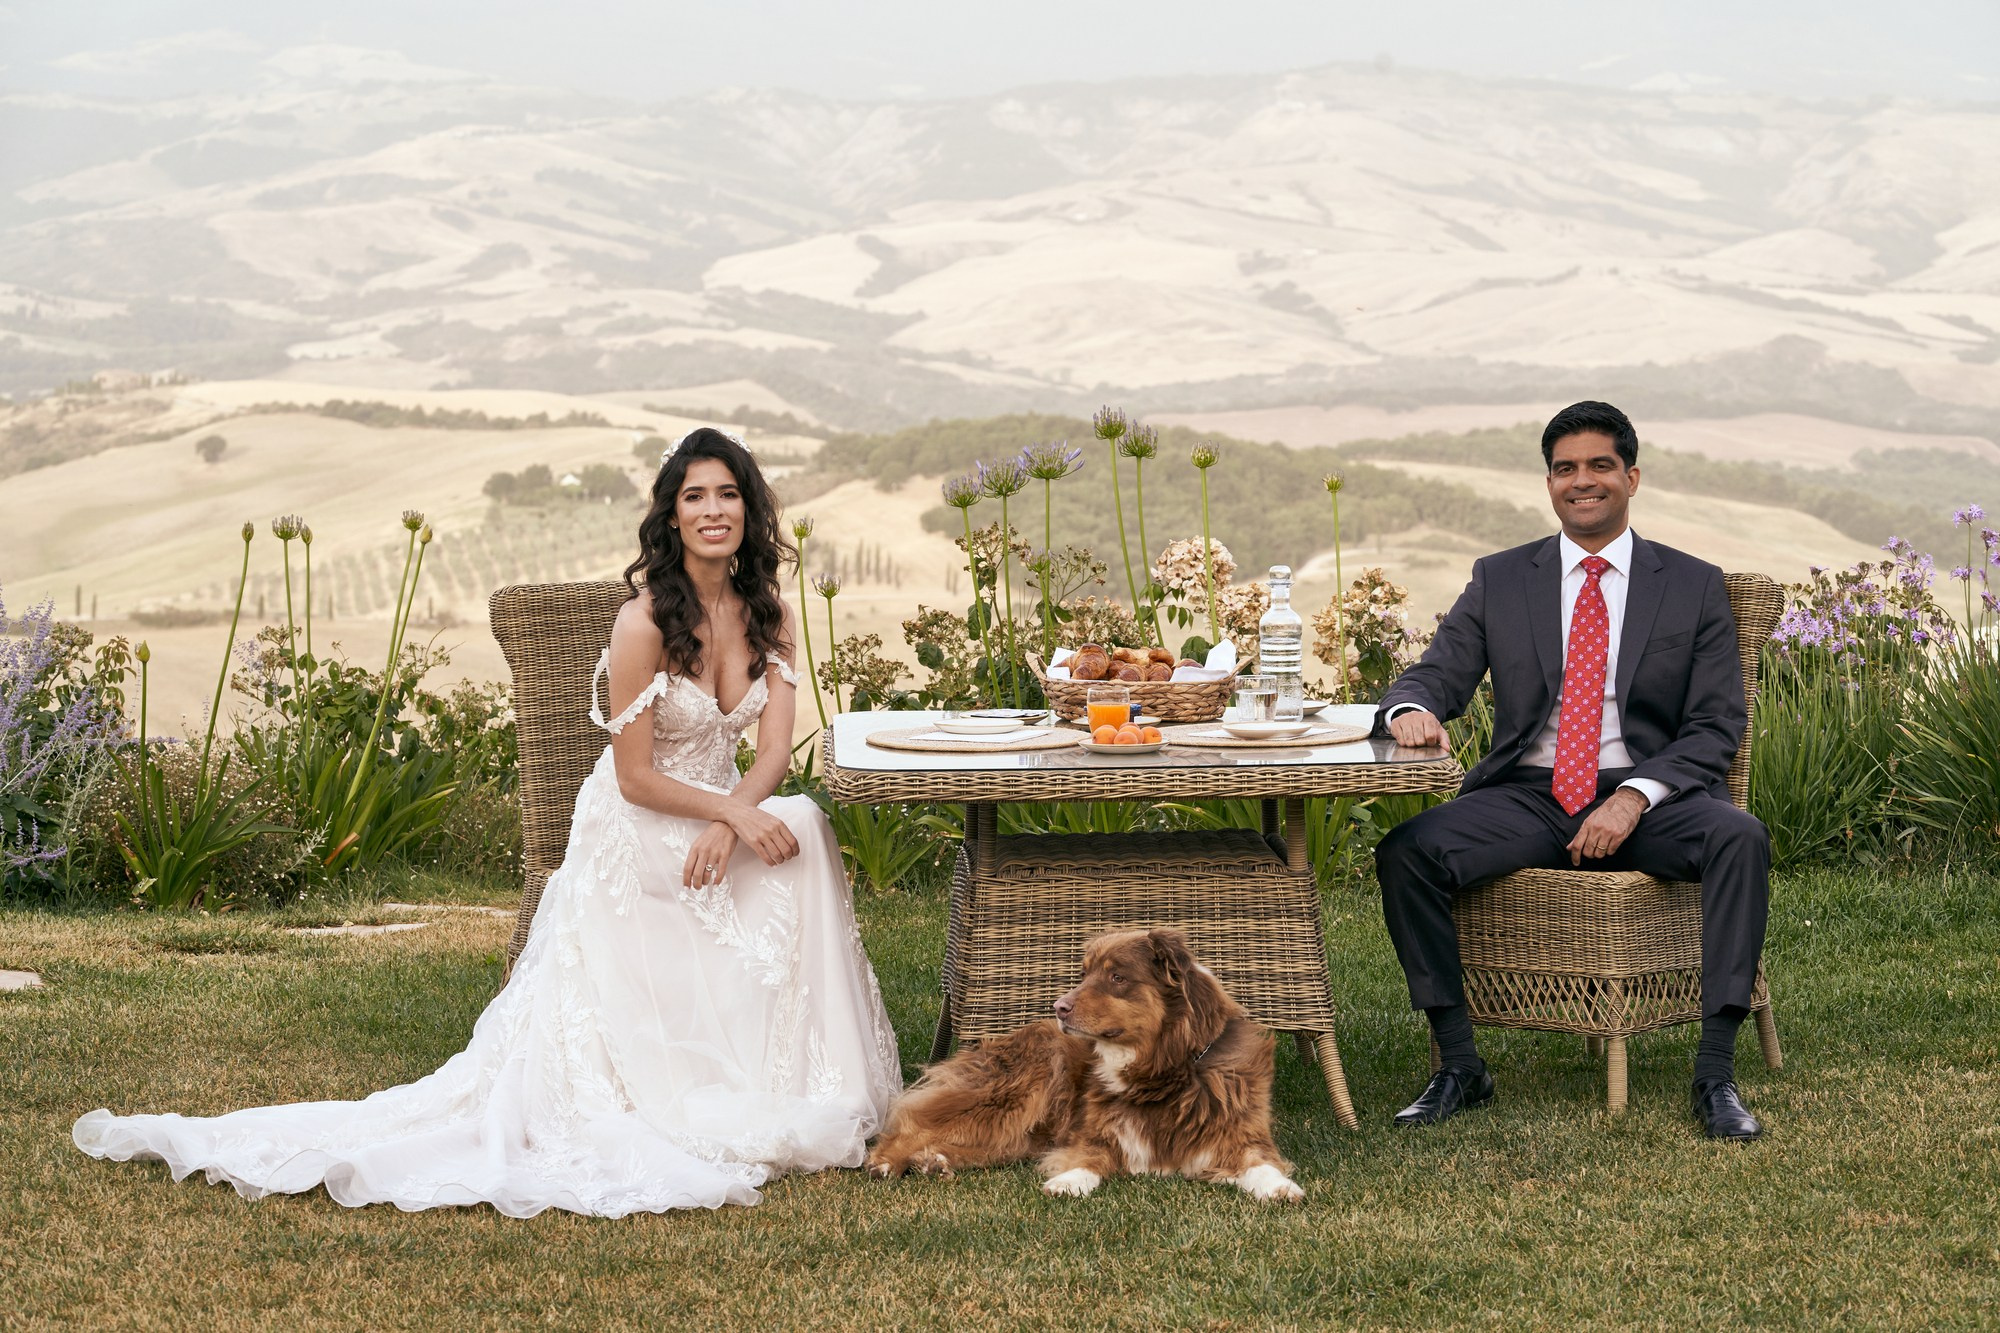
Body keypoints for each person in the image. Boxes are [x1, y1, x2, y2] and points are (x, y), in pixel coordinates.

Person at [74, 428, 903, 1215]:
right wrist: (722, 811)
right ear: (672, 514)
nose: (715, 510)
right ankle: (687, 1078)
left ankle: (805, 1078)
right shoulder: (644, 621)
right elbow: (636, 775)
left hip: (717, 813)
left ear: (751, 512)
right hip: (641, 825)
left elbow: (772, 749)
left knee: (802, 826)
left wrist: (735, 815)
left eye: (730, 494)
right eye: (696, 496)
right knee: (769, 828)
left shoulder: (770, 613)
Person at [1372, 401, 1770, 1140]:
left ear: (1631, 476)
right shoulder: (1501, 578)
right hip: (1531, 795)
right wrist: (1408, 713)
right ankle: (1461, 1063)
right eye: (1564, 468)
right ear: (1549, 481)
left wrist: (1634, 799)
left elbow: (1716, 726)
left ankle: (1716, 1073)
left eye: (1598, 465)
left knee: (1738, 837)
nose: (1581, 481)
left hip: (1647, 791)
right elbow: (1434, 674)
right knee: (1407, 852)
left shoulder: (1691, 584)